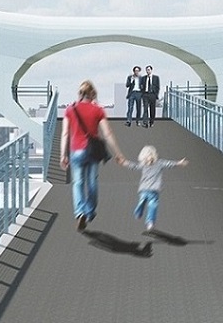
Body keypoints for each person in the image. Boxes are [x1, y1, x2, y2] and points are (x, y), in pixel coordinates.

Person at [59, 79, 125, 232]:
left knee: (78, 183)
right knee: (92, 182)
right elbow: (107, 133)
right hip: (93, 152)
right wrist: (118, 154)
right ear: (93, 94)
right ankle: (89, 211)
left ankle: (79, 212)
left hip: (76, 151)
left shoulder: (70, 109)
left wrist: (63, 155)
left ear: (80, 93)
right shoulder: (98, 110)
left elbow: (65, 134)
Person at [134, 145, 187, 236]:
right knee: (150, 204)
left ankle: (147, 219)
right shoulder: (156, 163)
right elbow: (169, 164)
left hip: (149, 190)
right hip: (151, 189)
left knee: (149, 204)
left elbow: (133, 166)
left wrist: (124, 162)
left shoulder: (153, 164)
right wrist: (179, 163)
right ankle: (145, 217)